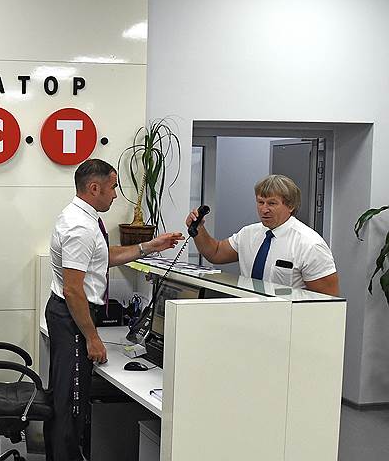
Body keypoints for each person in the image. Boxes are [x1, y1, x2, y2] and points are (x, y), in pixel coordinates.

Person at [45, 159, 182, 461]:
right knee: (72, 403)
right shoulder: (80, 227)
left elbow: (101, 257)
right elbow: (73, 290)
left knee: (67, 397)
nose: (116, 194)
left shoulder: (82, 217)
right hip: (73, 315)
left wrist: (150, 246)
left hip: (69, 313)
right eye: (113, 186)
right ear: (94, 188)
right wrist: (92, 338)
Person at [185, 174, 339, 296]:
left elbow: (327, 300)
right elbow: (216, 253)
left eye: (272, 203)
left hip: (289, 319)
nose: (264, 209)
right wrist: (198, 228)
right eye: (260, 202)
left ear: (291, 206)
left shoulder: (309, 244)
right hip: (251, 314)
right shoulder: (249, 233)